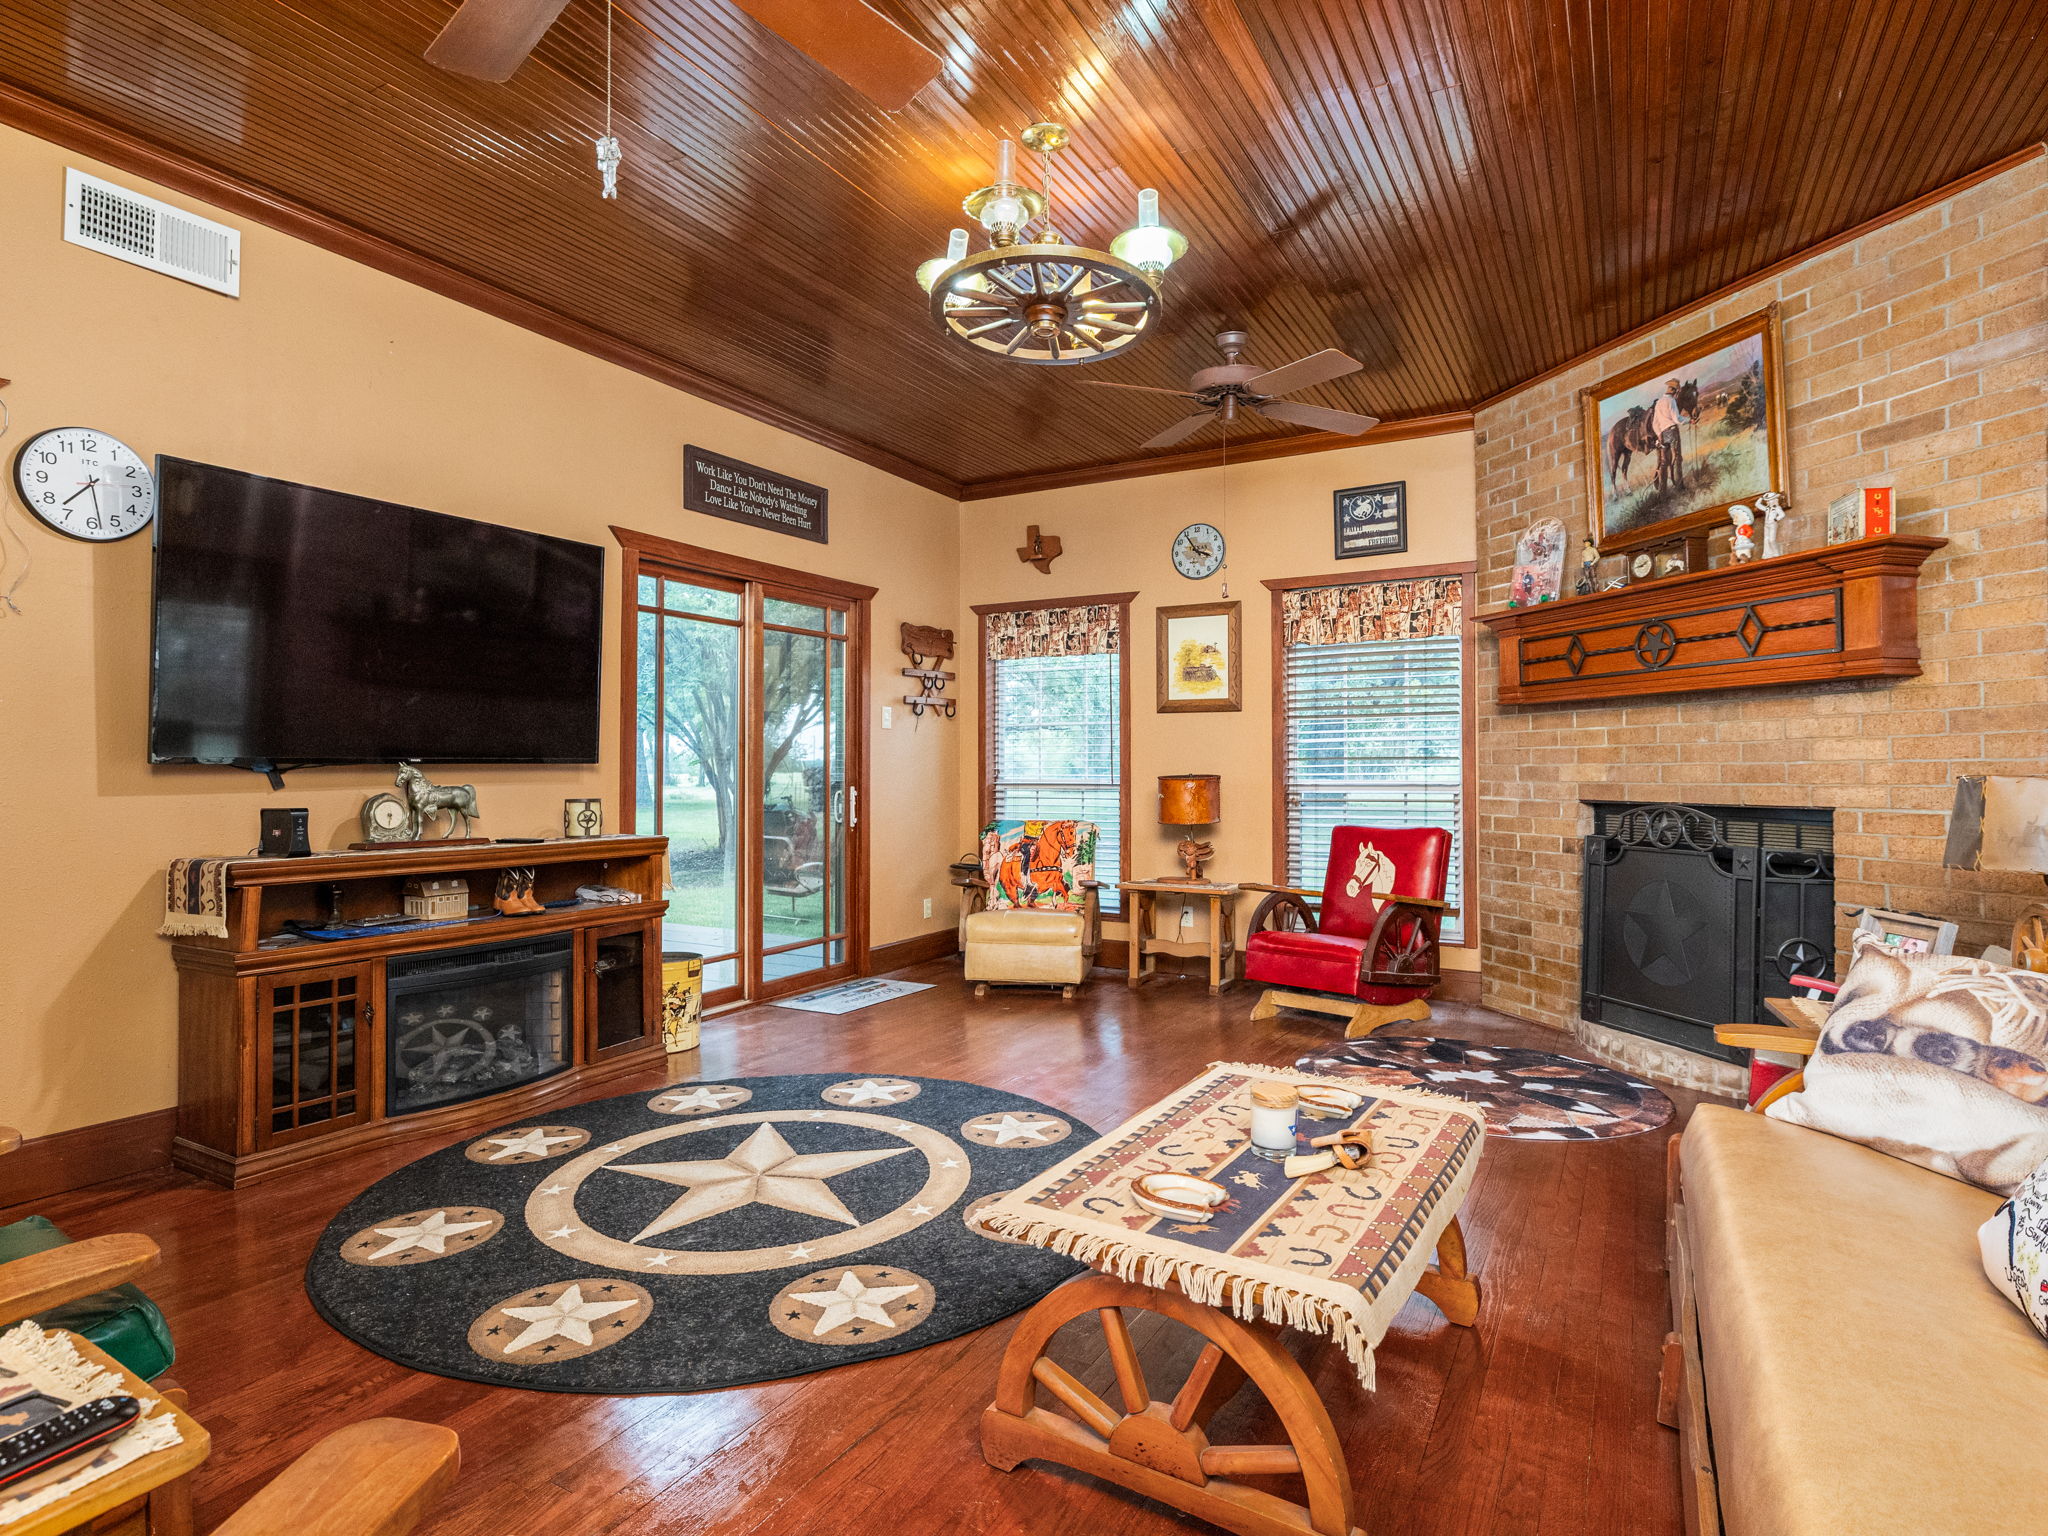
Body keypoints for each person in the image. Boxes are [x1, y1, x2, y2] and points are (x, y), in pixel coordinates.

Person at [1649, 378, 1684, 492]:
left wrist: (1659, 436)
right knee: (1677, 458)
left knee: (1664, 463)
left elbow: (1655, 423)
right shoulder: (1672, 401)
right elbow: (1677, 419)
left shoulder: (1658, 402)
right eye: (1677, 391)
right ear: (1674, 391)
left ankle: (1662, 493)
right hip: (1673, 431)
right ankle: (1680, 487)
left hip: (1663, 434)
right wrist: (1689, 420)